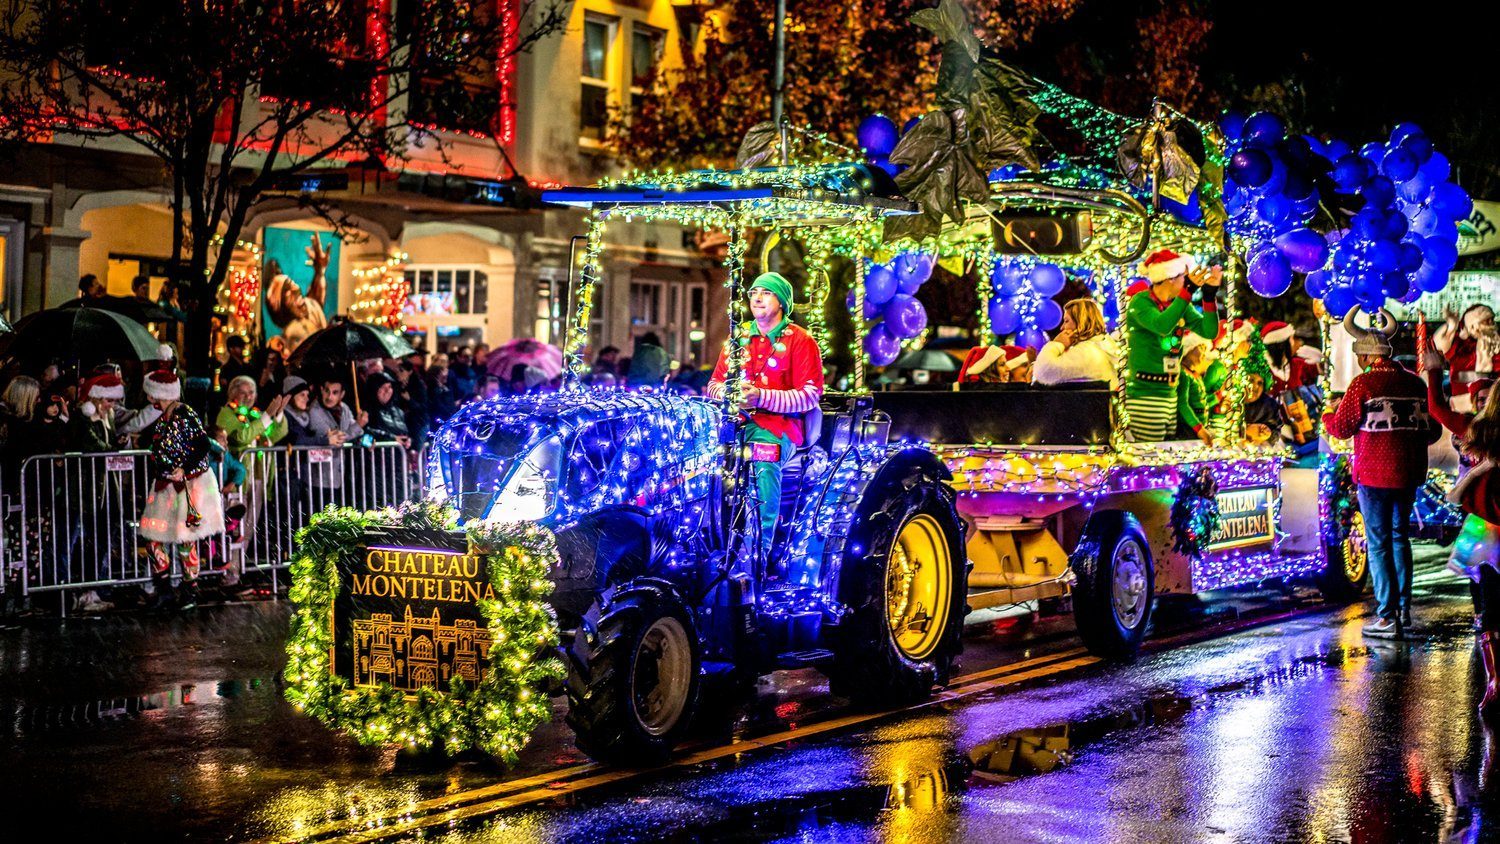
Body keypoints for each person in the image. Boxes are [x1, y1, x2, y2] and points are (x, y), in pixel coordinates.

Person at [1322, 309, 1441, 639]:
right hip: (1409, 475)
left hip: (1374, 475)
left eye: (1359, 356)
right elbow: (1430, 432)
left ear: (1365, 356)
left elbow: (1343, 428)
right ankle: (1404, 610)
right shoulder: (1415, 384)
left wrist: (1327, 416)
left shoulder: (1363, 384)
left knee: (1378, 544)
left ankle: (1387, 617)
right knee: (1400, 538)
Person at [707, 272, 824, 549]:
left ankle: (758, 549)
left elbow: (810, 395)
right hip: (735, 426)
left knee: (762, 456)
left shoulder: (800, 340)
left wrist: (762, 397)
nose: (757, 298)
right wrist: (730, 394)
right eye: (753, 292)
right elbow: (713, 384)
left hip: (779, 429)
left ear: (782, 301)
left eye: (766, 292)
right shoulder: (739, 336)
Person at [138, 370, 224, 610]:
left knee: (186, 540)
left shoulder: (184, 413)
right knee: (154, 540)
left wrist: (184, 469)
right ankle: (164, 589)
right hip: (165, 487)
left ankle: (189, 591)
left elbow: (203, 443)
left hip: (188, 486)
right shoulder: (164, 418)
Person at [1123, 249, 1221, 441]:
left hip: (1171, 393)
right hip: (1145, 395)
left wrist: (1209, 296)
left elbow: (1209, 332)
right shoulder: (1140, 302)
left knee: (1166, 456)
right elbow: (1162, 325)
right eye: (1184, 276)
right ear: (1171, 278)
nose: (1187, 280)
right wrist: (1188, 292)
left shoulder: (1180, 304)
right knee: (1152, 460)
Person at [264, 234, 331, 354]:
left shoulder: (310, 310)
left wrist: (320, 270)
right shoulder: (292, 333)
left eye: (291, 283)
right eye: (286, 290)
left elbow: (315, 298)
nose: (296, 288)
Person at [1033, 298, 1119, 387]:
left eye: (1066, 321)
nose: (1062, 328)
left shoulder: (1086, 352)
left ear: (1081, 322)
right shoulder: (1100, 346)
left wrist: (1057, 344)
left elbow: (1044, 371)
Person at [1435, 304, 1500, 411]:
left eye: (1491, 320)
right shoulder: (1462, 347)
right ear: (1473, 326)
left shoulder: (1496, 346)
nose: (1491, 324)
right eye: (1486, 321)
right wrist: (1451, 327)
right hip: (1462, 408)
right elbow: (1440, 346)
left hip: (1494, 409)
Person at [215, 375, 288, 457]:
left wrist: (279, 412)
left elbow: (274, 436)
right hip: (240, 467)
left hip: (261, 467)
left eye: (251, 392)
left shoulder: (254, 414)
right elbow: (240, 438)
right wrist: (267, 416)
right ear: (233, 394)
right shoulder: (226, 413)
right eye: (243, 393)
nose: (248, 397)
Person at [1175, 332, 1215, 444]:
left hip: (1200, 426)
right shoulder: (1183, 374)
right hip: (1189, 429)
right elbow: (1182, 404)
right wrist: (1198, 428)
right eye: (1201, 348)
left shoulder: (1195, 375)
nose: (1204, 353)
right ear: (1189, 349)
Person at [362, 371, 411, 447]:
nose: (387, 391)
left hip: (398, 457)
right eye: (382, 387)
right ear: (374, 390)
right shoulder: (366, 412)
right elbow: (363, 437)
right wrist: (391, 439)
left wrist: (408, 440)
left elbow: (406, 432)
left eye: (390, 387)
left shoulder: (399, 411)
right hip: (378, 457)